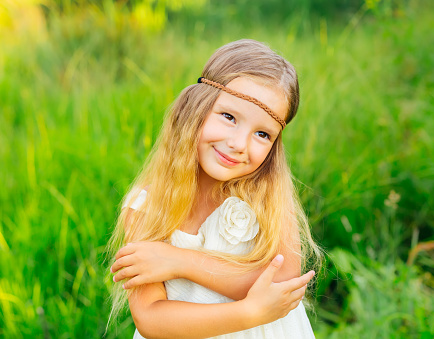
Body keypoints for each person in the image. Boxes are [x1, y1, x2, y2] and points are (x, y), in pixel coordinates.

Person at [106, 39, 322, 338]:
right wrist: (247, 312)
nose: (238, 144)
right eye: (229, 117)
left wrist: (179, 261)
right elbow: (150, 318)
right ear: (197, 107)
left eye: (262, 133)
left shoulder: (267, 196)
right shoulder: (148, 204)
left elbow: (283, 281)